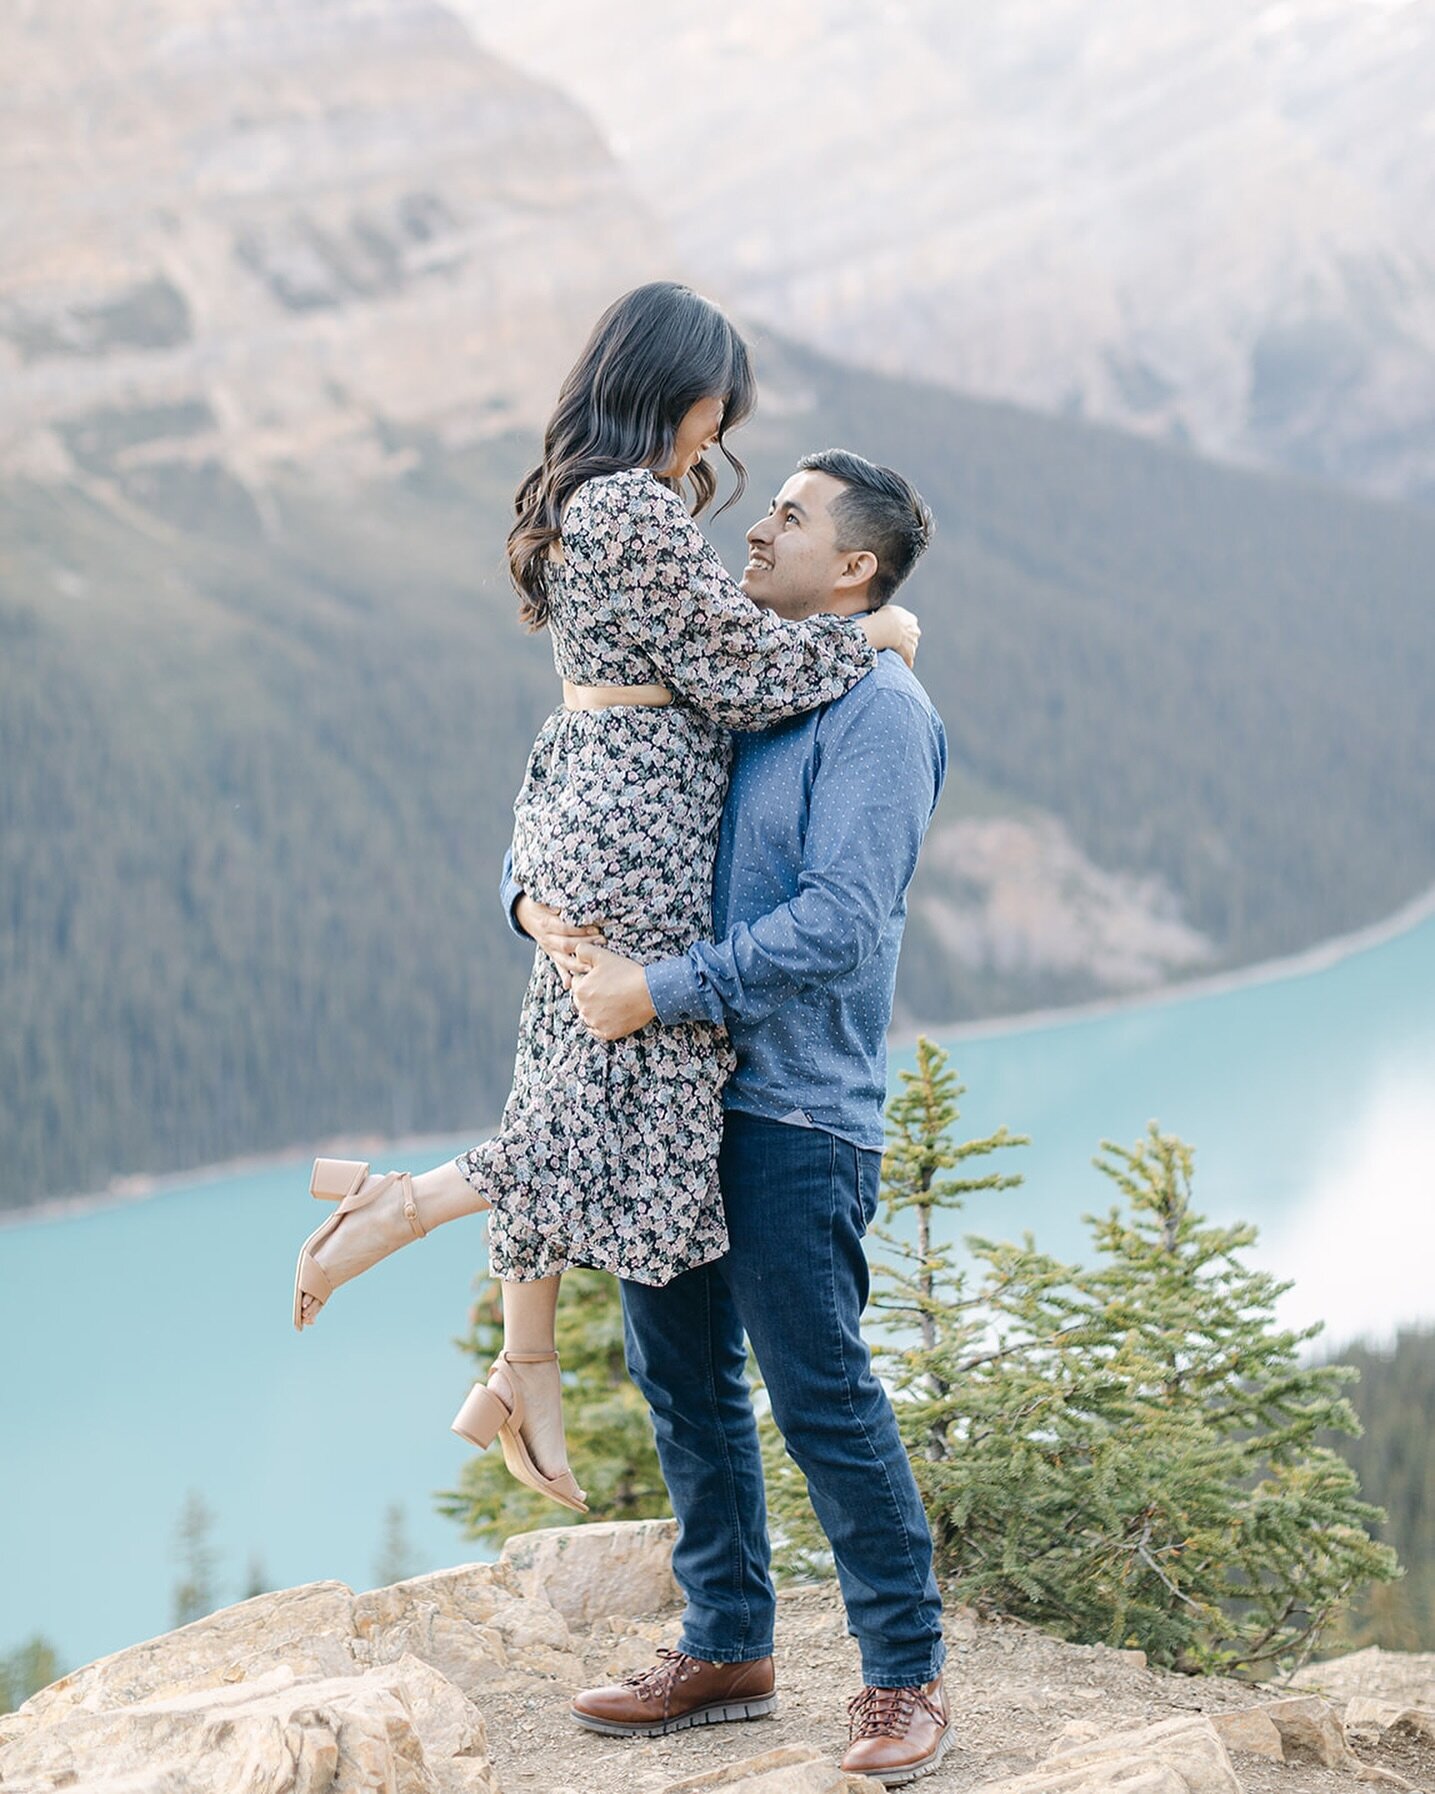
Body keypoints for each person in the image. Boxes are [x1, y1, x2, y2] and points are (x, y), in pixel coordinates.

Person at [290, 285, 918, 1518]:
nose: (713, 445)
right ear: (678, 394)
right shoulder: (632, 504)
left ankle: (523, 1370)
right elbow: (739, 675)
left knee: (559, 1075)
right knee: (615, 1108)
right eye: (713, 415)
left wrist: (529, 879)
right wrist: (879, 631)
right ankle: (397, 1206)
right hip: (638, 838)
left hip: (586, 810)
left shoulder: (580, 504)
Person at [509, 449, 952, 1786]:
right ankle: (727, 1645)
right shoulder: (729, 671)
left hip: (791, 1107)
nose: (754, 523)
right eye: (764, 504)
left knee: (816, 1390)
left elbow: (836, 922)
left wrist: (662, 987)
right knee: (680, 1378)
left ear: (857, 567)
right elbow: (573, 787)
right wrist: (530, 905)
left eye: (792, 515)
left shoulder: (877, 705)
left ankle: (903, 1674)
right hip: (666, 1092)